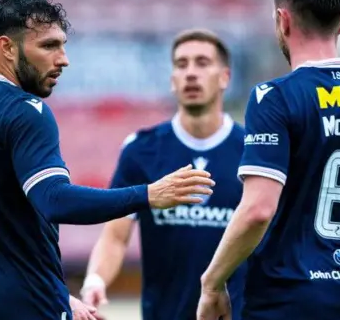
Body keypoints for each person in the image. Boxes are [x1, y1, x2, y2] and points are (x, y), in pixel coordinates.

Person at [0, 0, 215, 320]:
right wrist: (148, 194)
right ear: (6, 48)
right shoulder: (23, 111)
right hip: (24, 308)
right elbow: (55, 200)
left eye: (63, 46)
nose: (63, 59)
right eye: (49, 46)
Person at [196, 0, 340, 320]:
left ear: (283, 20)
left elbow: (258, 210)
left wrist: (212, 283)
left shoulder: (274, 98)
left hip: (289, 297)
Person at [80, 29, 246, 320]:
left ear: (225, 77)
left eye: (202, 63)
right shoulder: (141, 149)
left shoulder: (252, 151)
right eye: (181, 65)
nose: (191, 73)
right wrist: (96, 279)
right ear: (172, 80)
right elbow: (116, 236)